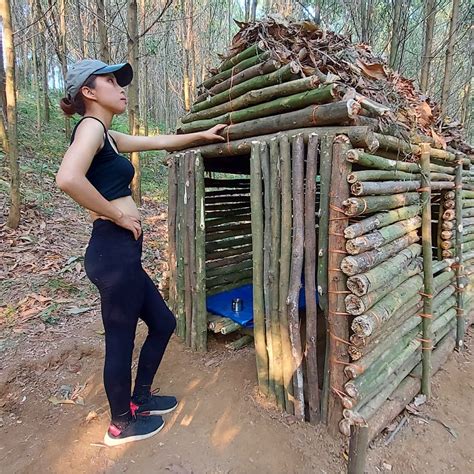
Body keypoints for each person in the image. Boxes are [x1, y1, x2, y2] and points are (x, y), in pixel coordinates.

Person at [56, 59, 225, 446]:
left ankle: (141, 398)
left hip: (121, 254)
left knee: (163, 323)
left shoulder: (108, 136)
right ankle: (120, 424)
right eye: (110, 80)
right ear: (88, 92)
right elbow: (67, 178)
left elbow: (158, 141)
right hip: (112, 252)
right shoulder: (91, 128)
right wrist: (117, 214)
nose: (121, 88)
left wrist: (203, 135)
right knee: (120, 341)